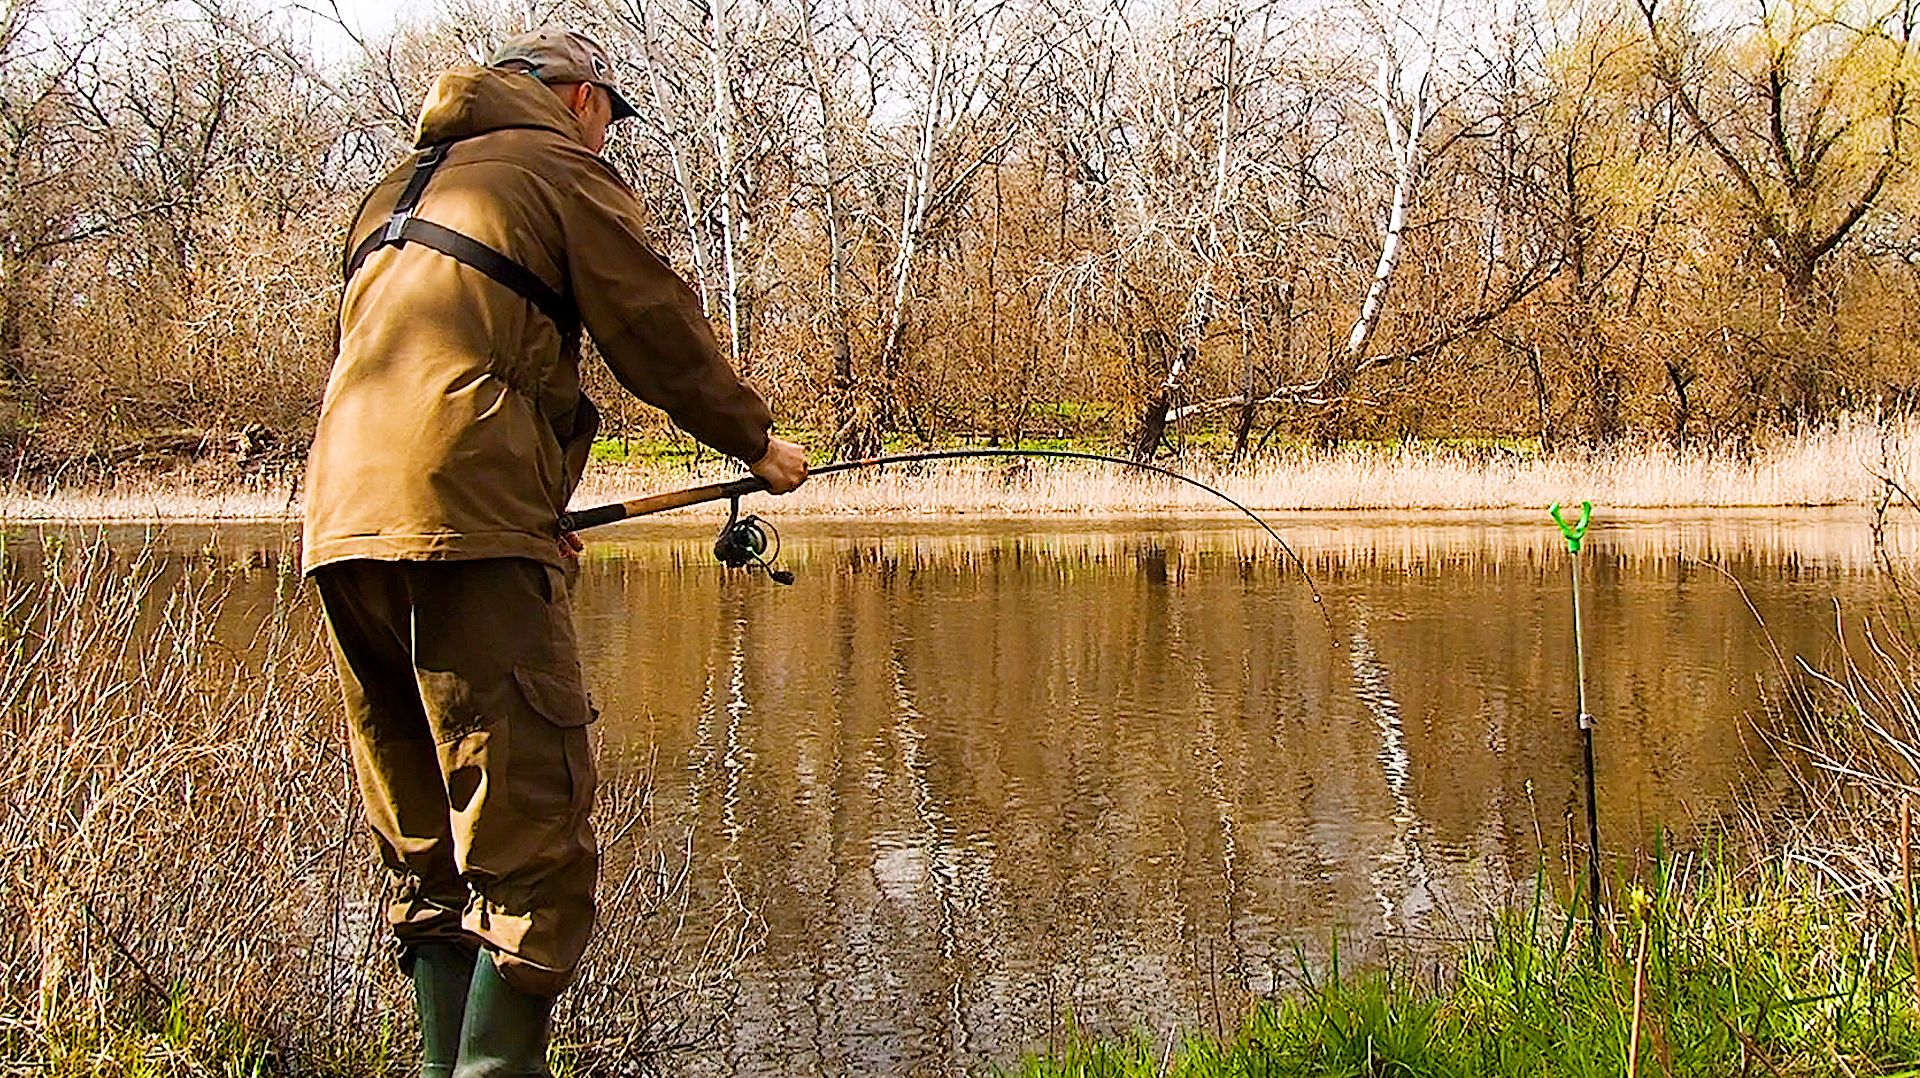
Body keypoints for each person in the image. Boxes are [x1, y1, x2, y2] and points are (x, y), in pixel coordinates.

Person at [300, 27, 807, 1078]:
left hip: (342, 529)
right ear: (576, 98)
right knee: (536, 856)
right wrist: (757, 443)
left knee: (426, 847)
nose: (607, 137)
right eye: (608, 116)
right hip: (465, 527)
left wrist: (534, 505)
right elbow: (653, 324)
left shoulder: (396, 189)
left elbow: (434, 365)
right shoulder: (557, 168)